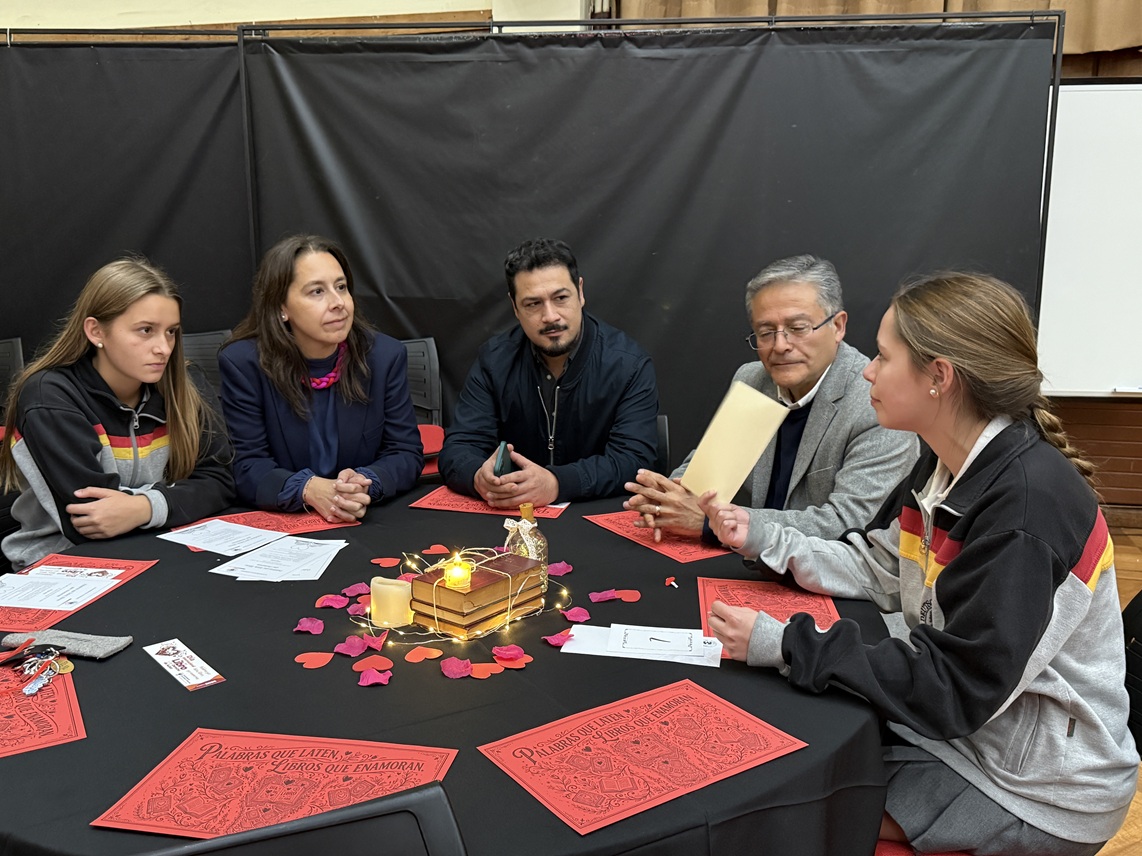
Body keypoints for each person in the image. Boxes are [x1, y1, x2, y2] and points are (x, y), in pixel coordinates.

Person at [701, 273, 1139, 856]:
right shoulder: (946, 465)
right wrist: (763, 538)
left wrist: (787, 644)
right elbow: (882, 567)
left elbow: (953, 689)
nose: (867, 372)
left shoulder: (1024, 509)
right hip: (969, 742)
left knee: (782, 807)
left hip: (1034, 792)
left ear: (940, 376)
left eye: (883, 357)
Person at [626, 254, 917, 543]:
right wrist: (666, 496)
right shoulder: (752, 379)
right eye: (765, 332)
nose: (780, 346)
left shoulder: (876, 402)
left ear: (838, 326)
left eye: (798, 328)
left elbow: (850, 523)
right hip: (752, 556)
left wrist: (714, 523)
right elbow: (703, 474)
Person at [0, 258, 234, 570]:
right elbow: (91, 521)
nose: (164, 348)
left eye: (171, 332)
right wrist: (179, 500)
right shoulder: (49, 396)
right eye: (146, 330)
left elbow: (221, 481)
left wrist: (143, 508)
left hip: (162, 548)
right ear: (96, 331)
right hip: (63, 564)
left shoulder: (187, 384)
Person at [439, 237, 658, 507]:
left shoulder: (629, 364)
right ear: (515, 307)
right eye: (533, 304)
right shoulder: (494, 361)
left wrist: (556, 483)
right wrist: (477, 477)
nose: (550, 316)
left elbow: (634, 460)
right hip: (511, 515)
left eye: (561, 298)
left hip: (592, 514)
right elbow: (459, 446)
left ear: (580, 292)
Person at [218, 235, 423, 519]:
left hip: (365, 518)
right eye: (317, 291)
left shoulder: (385, 356)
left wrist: (365, 483)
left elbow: (405, 452)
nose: (338, 302)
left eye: (341, 287)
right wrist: (308, 489)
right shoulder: (243, 364)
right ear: (281, 308)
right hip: (286, 521)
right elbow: (246, 465)